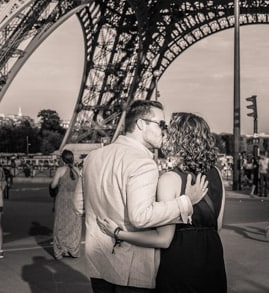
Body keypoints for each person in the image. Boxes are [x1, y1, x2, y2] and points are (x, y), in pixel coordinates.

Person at [74, 99, 208, 292]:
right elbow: (141, 217)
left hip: (99, 263)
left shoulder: (93, 157)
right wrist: (186, 202)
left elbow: (78, 206)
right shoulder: (143, 163)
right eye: (160, 124)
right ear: (141, 124)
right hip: (131, 268)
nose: (165, 130)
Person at [97, 112, 227, 293]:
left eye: (168, 132)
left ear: (177, 139)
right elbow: (217, 225)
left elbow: (163, 239)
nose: (164, 135)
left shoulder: (170, 179)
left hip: (181, 262)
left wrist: (118, 233)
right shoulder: (217, 175)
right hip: (213, 260)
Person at [50, 149, 82, 260]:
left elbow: (53, 186)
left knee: (60, 225)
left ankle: (60, 250)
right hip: (75, 200)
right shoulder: (77, 170)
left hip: (62, 200)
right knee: (74, 225)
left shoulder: (60, 170)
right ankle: (73, 249)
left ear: (63, 159)